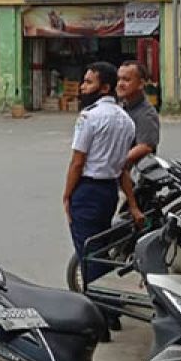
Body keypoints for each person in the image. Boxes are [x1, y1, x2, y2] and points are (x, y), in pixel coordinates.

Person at [62, 62, 142, 287]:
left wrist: (67, 195)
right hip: (109, 192)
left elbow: (77, 163)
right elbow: (123, 168)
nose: (82, 87)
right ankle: (110, 304)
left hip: (88, 191)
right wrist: (132, 204)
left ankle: (102, 309)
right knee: (100, 249)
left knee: (88, 254)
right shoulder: (126, 120)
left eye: (89, 82)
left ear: (105, 88)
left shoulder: (89, 117)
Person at [117, 60, 159, 168]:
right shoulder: (122, 107)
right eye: (119, 79)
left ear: (140, 84)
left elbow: (145, 147)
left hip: (134, 175)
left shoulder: (146, 113)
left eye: (126, 80)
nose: (120, 84)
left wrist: (116, 163)